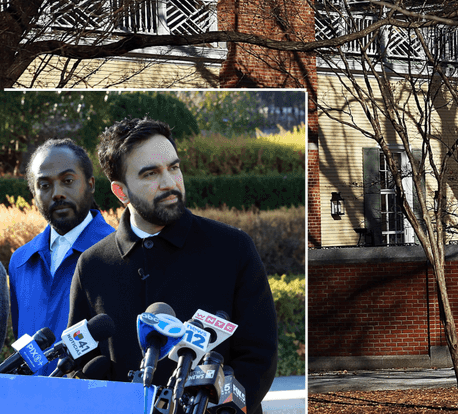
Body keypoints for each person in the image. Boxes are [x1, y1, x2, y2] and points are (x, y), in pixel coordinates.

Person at [68, 117, 277, 414]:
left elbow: (259, 357)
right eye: (150, 173)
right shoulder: (91, 265)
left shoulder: (232, 248)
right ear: (120, 191)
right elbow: (80, 364)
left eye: (174, 167)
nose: (169, 182)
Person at [8, 139, 115, 375]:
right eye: (44, 185)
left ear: (90, 184)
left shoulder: (120, 254)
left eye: (67, 181)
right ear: (33, 194)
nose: (57, 194)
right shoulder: (20, 261)